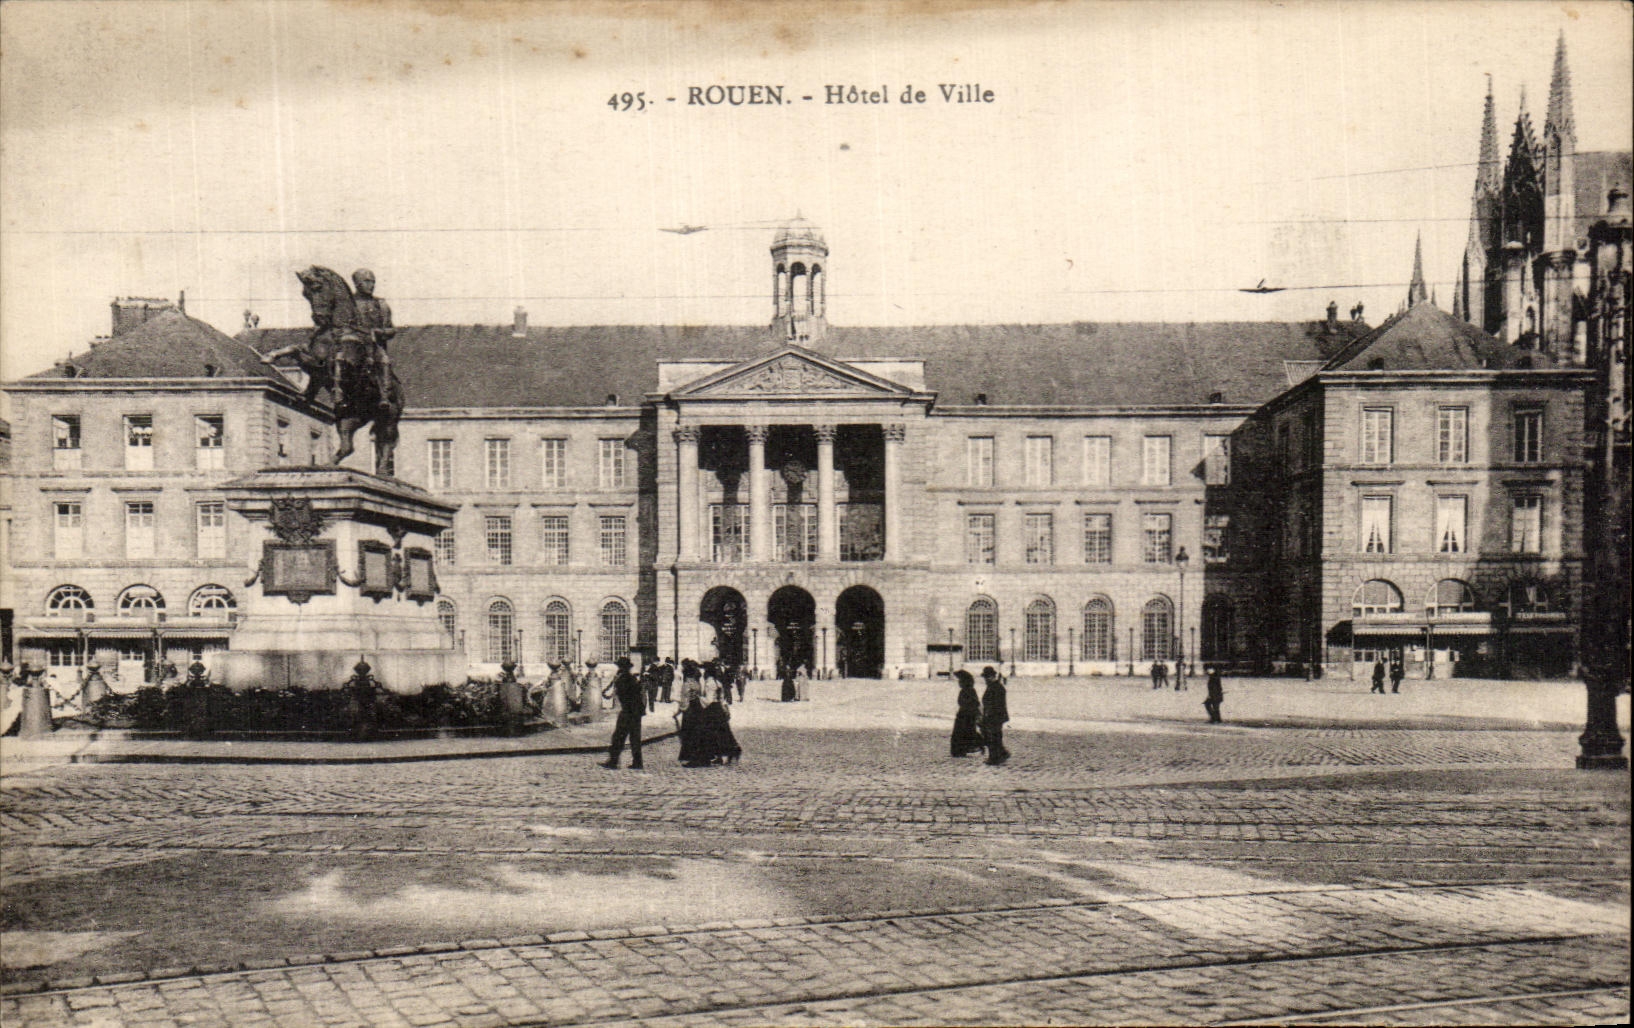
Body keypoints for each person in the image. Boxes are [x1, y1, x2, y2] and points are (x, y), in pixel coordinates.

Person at [350, 268, 396, 404]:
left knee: (384, 361)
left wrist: (380, 332)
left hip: (374, 346)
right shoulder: (348, 304)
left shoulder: (381, 305)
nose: (371, 285)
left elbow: (392, 329)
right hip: (352, 344)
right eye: (367, 281)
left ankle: (385, 396)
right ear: (357, 283)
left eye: (373, 282)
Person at [599, 657, 645, 769]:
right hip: (636, 712)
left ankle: (613, 762)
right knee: (635, 738)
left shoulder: (623, 679)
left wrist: (616, 681)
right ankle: (638, 762)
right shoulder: (633, 678)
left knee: (618, 737)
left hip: (628, 711)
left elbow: (621, 694)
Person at [950, 669, 986, 757]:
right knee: (961, 733)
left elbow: (976, 703)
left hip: (968, 715)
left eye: (960, 681)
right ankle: (959, 751)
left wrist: (975, 713)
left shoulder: (970, 690)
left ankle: (976, 746)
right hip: (962, 715)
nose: (959, 683)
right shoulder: (963, 691)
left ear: (964, 682)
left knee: (967, 733)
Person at [980, 666, 1010, 765]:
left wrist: (989, 714)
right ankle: (1002, 753)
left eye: (987, 677)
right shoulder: (993, 686)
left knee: (993, 736)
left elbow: (996, 704)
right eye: (985, 677)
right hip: (993, 716)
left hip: (995, 716)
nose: (985, 680)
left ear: (992, 677)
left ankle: (994, 758)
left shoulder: (996, 687)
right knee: (994, 736)